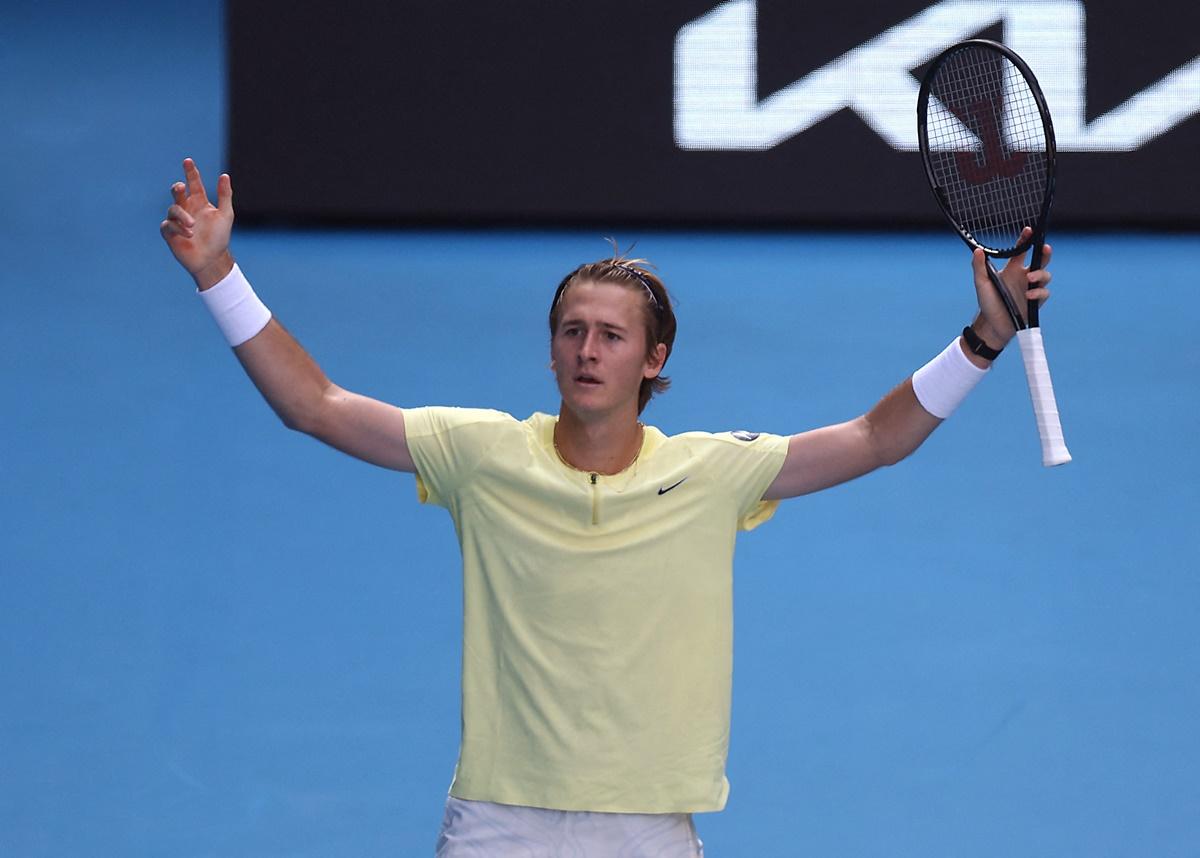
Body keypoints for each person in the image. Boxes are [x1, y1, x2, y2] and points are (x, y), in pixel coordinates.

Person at [160, 158, 1051, 857]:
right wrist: (218, 274)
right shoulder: (479, 454)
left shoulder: (713, 474)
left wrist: (985, 338)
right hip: (498, 823)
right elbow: (313, 405)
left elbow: (874, 438)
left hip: (645, 828)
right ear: (551, 353)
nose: (588, 349)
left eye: (612, 335)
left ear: (654, 360)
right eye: (571, 331)